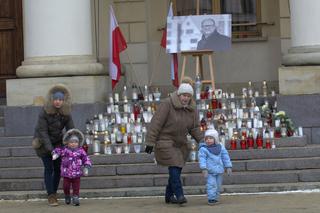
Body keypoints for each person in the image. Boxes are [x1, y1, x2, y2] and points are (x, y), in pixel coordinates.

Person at [145, 83, 204, 205]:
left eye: (188, 96)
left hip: (180, 143)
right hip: (165, 140)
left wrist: (203, 141)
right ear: (179, 94)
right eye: (183, 95)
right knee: (175, 165)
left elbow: (195, 128)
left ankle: (168, 195)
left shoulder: (192, 109)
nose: (185, 98)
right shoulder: (167, 104)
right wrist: (150, 142)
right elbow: (156, 123)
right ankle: (179, 195)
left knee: (176, 169)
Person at [32, 84, 74, 206]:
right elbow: (43, 132)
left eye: (60, 100)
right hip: (43, 143)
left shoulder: (66, 113)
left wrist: (78, 141)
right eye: (56, 99)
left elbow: (71, 129)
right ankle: (50, 195)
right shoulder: (44, 112)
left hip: (57, 143)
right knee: (49, 168)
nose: (58, 102)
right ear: (52, 100)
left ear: (63, 100)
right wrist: (51, 150)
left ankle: (54, 193)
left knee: (58, 169)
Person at [52, 128, 92, 206]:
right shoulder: (65, 150)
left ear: (78, 143)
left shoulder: (81, 151)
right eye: (71, 142)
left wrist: (86, 167)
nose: (73, 144)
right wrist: (56, 154)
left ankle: (75, 197)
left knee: (76, 187)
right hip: (66, 173)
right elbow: (58, 150)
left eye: (75, 142)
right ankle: (67, 195)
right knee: (66, 186)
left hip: (77, 173)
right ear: (68, 143)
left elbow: (86, 158)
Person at [198, 128, 232, 205]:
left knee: (218, 185)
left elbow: (225, 156)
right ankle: (211, 198)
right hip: (210, 171)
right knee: (211, 185)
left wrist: (228, 166)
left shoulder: (220, 147)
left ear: (215, 139)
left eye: (210, 138)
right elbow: (202, 159)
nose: (208, 140)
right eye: (206, 139)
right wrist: (204, 168)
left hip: (219, 170)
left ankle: (216, 197)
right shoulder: (203, 149)